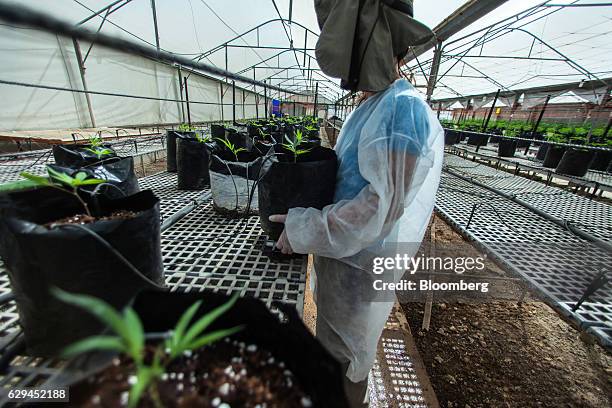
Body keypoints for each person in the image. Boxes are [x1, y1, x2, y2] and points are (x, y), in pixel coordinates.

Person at [270, 1, 443, 406]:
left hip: (360, 269)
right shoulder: (373, 105)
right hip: (345, 262)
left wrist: (303, 230)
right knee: (334, 350)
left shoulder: (404, 110)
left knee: (346, 359)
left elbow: (376, 209)